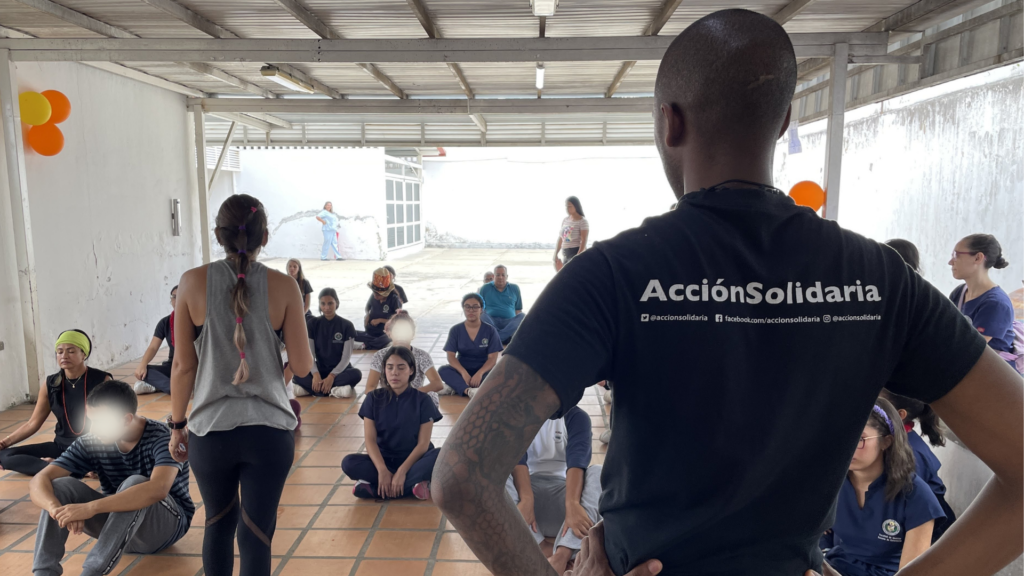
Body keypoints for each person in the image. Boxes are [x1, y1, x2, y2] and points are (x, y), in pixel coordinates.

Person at [431, 10, 1023, 576]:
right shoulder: (882, 280)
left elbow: (460, 474)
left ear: (670, 122)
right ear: (783, 119)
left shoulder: (613, 274)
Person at [169, 194, 313, 576]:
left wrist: (177, 425)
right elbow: (301, 365)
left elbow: (183, 367)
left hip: (210, 432)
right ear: (264, 236)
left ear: (219, 235)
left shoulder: (191, 282)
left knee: (217, 526)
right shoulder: (285, 286)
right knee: (256, 534)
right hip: (269, 432)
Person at [29, 380, 194, 576]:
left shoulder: (163, 438)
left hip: (163, 528)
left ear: (125, 419)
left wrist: (89, 508)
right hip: (117, 530)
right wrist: (57, 510)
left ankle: (92, 572)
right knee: (59, 486)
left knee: (137, 484)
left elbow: (158, 489)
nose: (94, 428)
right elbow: (39, 480)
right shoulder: (92, 441)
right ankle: (44, 573)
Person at [824, 399, 945, 576]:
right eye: (841, 437)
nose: (847, 447)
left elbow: (911, 571)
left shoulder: (916, 496)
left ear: (886, 442)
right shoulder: (832, 485)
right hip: (836, 568)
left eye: (860, 439)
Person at [0, 330, 111, 476]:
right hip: (61, 446)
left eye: (71, 351)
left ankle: (62, 467)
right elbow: (33, 423)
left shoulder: (102, 381)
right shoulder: (51, 384)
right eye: (59, 352)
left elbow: (111, 424)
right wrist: (3, 444)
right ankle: (65, 467)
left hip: (94, 447)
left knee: (106, 460)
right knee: (5, 456)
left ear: (84, 354)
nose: (64, 356)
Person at [506, 406, 602, 574]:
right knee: (496, 471)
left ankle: (562, 554)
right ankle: (541, 546)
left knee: (598, 472)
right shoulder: (516, 415)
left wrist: (572, 504)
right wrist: (527, 500)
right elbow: (516, 460)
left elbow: (577, 462)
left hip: (569, 518)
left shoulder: (578, 417)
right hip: (525, 515)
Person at [341, 346, 442, 500]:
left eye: (401, 368)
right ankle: (411, 487)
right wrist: (382, 470)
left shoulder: (423, 400)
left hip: (414, 461)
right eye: (390, 368)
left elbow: (423, 444)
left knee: (441, 455)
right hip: (384, 460)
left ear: (411, 370)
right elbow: (370, 440)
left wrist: (401, 472)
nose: (394, 372)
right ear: (384, 370)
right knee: (348, 462)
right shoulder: (373, 398)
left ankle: (377, 489)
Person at [879, 389, 957, 542]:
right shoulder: (891, 443)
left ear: (900, 415)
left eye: (877, 405)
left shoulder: (909, 455)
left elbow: (899, 512)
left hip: (930, 534)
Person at [949, 234, 1020, 370]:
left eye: (956, 255)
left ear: (978, 258)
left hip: (993, 375)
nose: (951, 262)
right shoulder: (960, 292)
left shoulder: (996, 304)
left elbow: (971, 350)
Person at [293, 288, 362, 399]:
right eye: (323, 304)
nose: (327, 307)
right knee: (297, 373)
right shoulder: (312, 324)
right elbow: (310, 355)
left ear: (337, 303)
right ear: (319, 305)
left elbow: (346, 358)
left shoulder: (347, 325)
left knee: (357, 374)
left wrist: (332, 376)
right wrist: (315, 374)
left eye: (330, 303)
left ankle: (316, 390)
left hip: (340, 371)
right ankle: (334, 389)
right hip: (320, 370)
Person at [366, 311, 445, 406]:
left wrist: (410, 395)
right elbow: (370, 388)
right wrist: (387, 397)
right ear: (389, 333)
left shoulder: (421, 355)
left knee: (431, 396)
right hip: (389, 399)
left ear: (412, 335)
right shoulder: (379, 356)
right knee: (370, 400)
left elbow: (437, 383)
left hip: (413, 400)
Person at [437, 293, 503, 399]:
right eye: (467, 307)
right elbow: (451, 356)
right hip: (462, 369)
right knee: (443, 370)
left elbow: (492, 359)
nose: (471, 310)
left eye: (475, 307)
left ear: (481, 309)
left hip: (483, 369)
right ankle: (469, 391)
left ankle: (455, 387)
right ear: (463, 309)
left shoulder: (490, 330)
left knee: (499, 374)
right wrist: (463, 372)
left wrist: (480, 373)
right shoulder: (456, 330)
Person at [133, 286, 188, 395]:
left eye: (181, 296)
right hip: (174, 366)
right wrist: (142, 364)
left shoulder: (196, 320)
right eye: (174, 297)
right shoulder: (165, 323)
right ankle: (175, 388)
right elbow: (153, 347)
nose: (177, 300)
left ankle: (160, 385)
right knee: (146, 371)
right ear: (171, 300)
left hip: (194, 365)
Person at [356, 268, 403, 350]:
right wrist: (367, 314)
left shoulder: (394, 299)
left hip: (385, 332)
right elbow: (368, 307)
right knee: (351, 333)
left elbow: (398, 320)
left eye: (378, 295)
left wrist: (380, 320)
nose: (375, 296)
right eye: (374, 293)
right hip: (372, 331)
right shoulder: (373, 296)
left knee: (388, 338)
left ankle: (368, 344)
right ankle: (372, 342)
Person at [479, 265, 526, 344]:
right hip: (491, 322)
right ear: (494, 276)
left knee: (522, 316)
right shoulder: (485, 288)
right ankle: (503, 338)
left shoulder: (514, 288)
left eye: (503, 275)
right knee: (482, 315)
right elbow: (480, 308)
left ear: (506, 276)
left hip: (509, 323)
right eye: (498, 275)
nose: (500, 277)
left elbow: (518, 310)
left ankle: (496, 339)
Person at [554, 196, 590, 270]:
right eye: (566, 206)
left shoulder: (582, 221)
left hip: (575, 251)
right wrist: (556, 253)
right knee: (563, 276)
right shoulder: (565, 220)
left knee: (570, 275)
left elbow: (583, 241)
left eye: (570, 206)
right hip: (565, 253)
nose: (567, 209)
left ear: (576, 206)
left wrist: (577, 256)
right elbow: (561, 238)